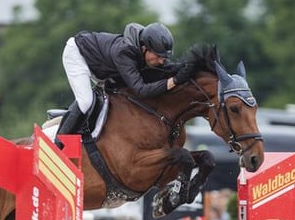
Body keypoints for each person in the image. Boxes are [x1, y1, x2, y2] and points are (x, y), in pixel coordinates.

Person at [56, 22, 195, 138]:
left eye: (163, 57)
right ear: (145, 48)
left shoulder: (142, 51)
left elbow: (166, 68)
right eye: (158, 56)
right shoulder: (124, 53)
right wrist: (174, 81)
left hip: (103, 67)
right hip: (78, 55)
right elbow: (141, 90)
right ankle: (57, 144)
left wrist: (188, 68)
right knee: (86, 101)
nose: (161, 61)